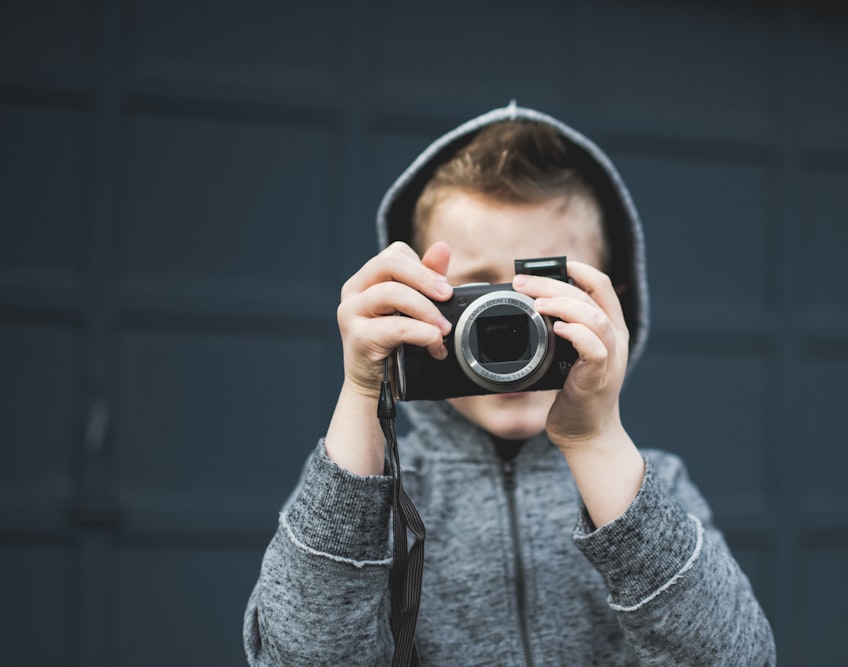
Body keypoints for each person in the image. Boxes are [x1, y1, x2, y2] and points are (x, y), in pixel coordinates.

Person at [243, 102, 776, 666]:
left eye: (542, 290)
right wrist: (364, 391)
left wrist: (596, 441)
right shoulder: (362, 484)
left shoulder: (646, 482)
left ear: (609, 308)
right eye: (475, 293)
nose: (509, 326)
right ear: (412, 296)